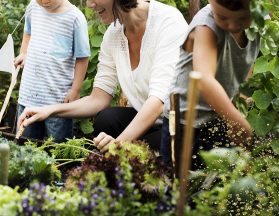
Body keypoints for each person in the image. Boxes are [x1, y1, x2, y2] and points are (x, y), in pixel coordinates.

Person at [17, 0, 188, 150]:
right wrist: (49, 110)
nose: (89, 5)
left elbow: (158, 101)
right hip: (153, 121)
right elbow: (98, 99)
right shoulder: (113, 35)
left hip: (181, 123)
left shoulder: (167, 21)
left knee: (153, 146)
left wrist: (117, 145)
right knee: (106, 120)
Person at [161, 0, 260, 171]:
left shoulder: (261, 20)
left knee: (216, 181)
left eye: (242, 18)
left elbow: (242, 63)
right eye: (223, 17)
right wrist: (239, 122)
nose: (232, 25)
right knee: (179, 182)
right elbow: (204, 80)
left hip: (217, 115)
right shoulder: (206, 26)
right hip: (183, 120)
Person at [14, 0, 90, 142]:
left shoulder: (75, 18)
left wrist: (75, 90)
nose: (44, 1)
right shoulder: (33, 8)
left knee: (57, 148)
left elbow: (82, 58)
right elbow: (27, 33)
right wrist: (24, 53)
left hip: (57, 102)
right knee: (25, 145)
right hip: (28, 98)